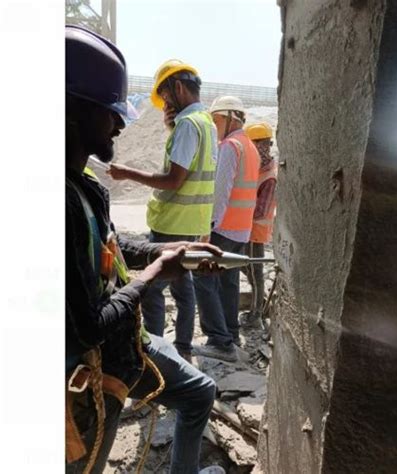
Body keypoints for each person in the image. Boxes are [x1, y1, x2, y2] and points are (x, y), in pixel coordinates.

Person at [66, 25, 224, 474]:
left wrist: (171, 250)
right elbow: (87, 328)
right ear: (71, 112)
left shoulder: (84, 186)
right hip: (82, 373)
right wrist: (155, 273)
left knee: (199, 391)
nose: (120, 123)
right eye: (109, 112)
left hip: (121, 345)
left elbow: (112, 244)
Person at [108, 59, 218, 362]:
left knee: (154, 290)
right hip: (192, 221)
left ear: (178, 87)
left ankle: (154, 351)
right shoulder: (207, 122)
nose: (166, 104)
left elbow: (173, 180)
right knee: (184, 287)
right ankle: (183, 347)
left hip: (172, 222)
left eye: (166, 96)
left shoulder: (188, 125)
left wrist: (127, 173)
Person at [193, 96, 260, 362]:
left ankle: (219, 342)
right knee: (228, 283)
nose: (214, 125)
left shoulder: (231, 146)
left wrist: (209, 225)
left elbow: (221, 191)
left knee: (203, 278)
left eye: (216, 119)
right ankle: (231, 335)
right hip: (241, 229)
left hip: (222, 228)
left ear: (231, 117)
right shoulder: (250, 146)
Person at [240, 122, 278, 329]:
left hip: (256, 231)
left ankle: (256, 316)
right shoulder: (258, 169)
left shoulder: (269, 176)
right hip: (246, 228)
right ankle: (259, 304)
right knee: (245, 267)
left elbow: (261, 211)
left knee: (255, 273)